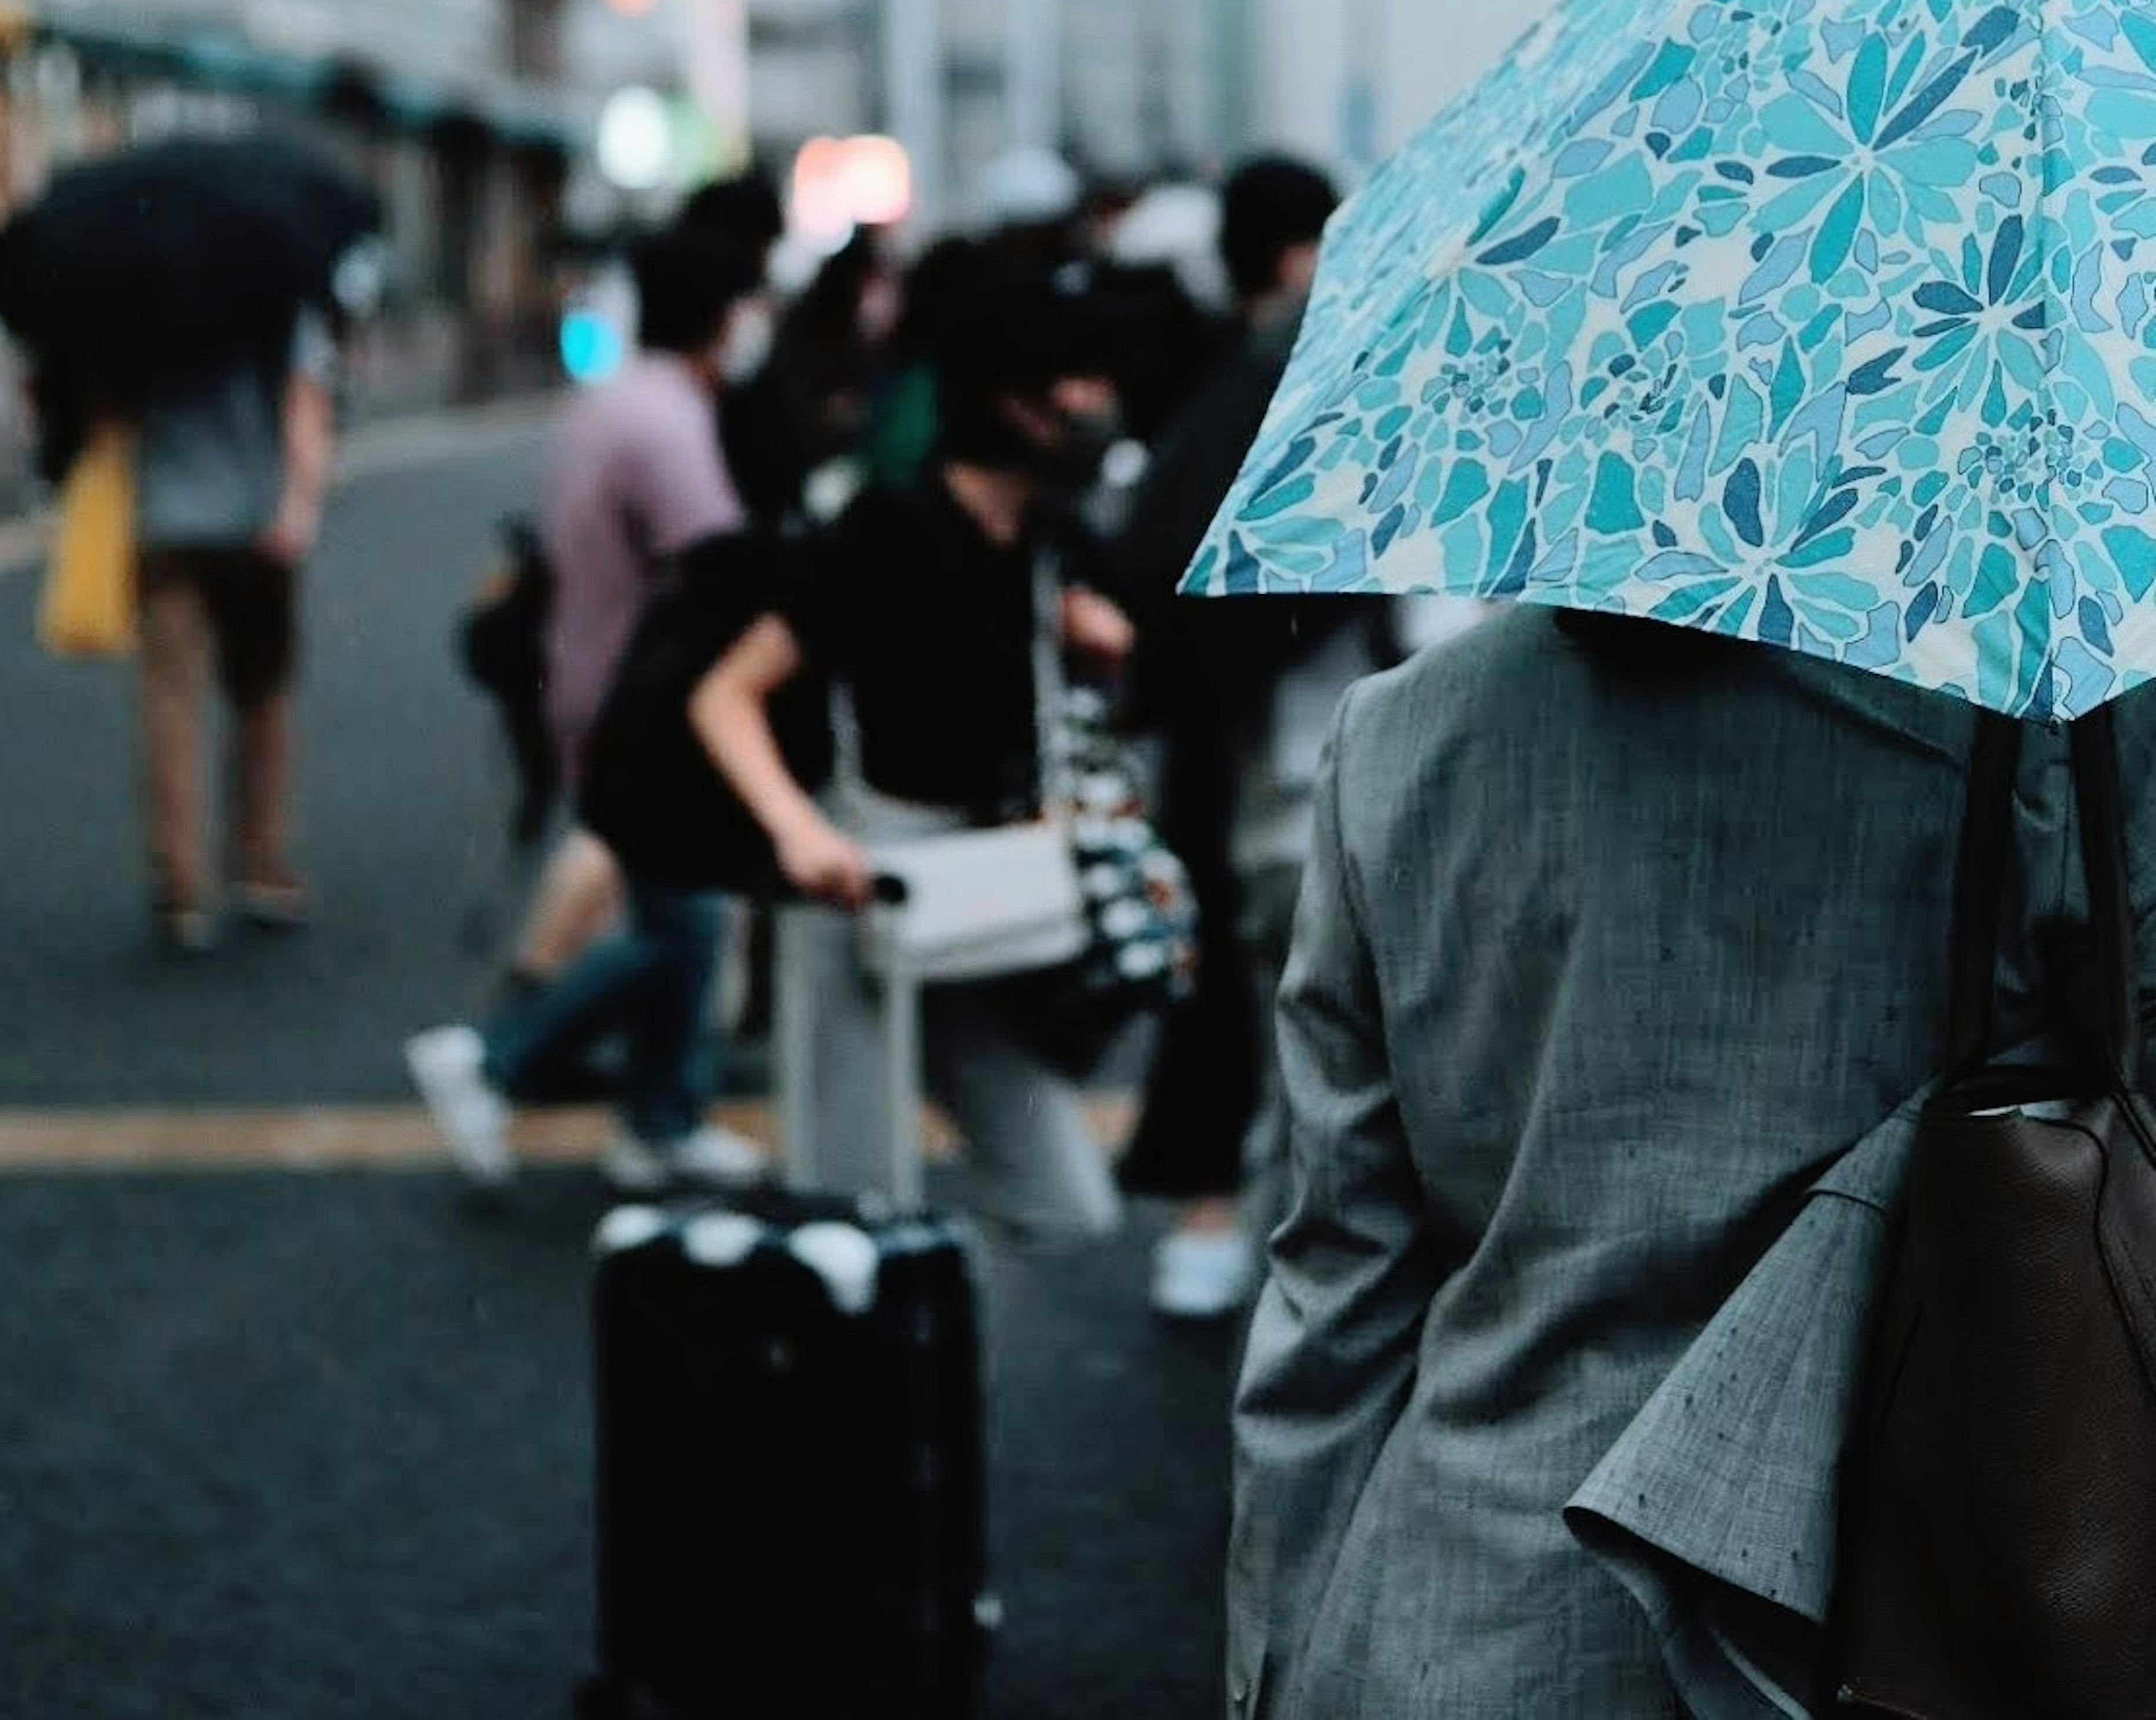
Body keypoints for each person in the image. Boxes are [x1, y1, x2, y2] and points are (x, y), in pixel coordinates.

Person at [1229, 607, 2156, 1719]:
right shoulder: (2027, 726)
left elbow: (1337, 1287)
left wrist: (1271, 1666)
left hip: (1467, 1606)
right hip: (1873, 1600)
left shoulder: (1398, 731)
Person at [687, 264, 1137, 1246]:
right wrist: (800, 832)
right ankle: (881, 1366)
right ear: (1016, 402)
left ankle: (939, 1328)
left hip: (995, 889)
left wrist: (1095, 645)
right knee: (847, 1205)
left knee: (1066, 1197)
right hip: (865, 883)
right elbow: (726, 691)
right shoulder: (890, 527)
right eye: (1080, 379)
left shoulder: (1054, 539)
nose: (1101, 401)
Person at [407, 224, 761, 1190]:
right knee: (683, 924)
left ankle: (657, 1116)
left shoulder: (617, 402)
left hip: (591, 677)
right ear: (724, 315)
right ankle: (494, 1059)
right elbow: (719, 562)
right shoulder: (669, 424)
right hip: (641, 703)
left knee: (671, 909)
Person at [1117, 151, 1363, 1318]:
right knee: (1298, 996)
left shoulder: (1221, 372)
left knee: (1242, 983)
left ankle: (1225, 1217)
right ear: (1292, 251)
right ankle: (1262, 1227)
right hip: (1285, 751)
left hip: (1233, 745)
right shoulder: (1300, 373)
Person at [134, 303, 337, 949]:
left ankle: (181, 886)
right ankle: (259, 864)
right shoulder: (271, 288)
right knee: (262, 694)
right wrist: (301, 504)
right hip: (257, 526)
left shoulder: (138, 297)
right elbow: (305, 406)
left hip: (164, 521)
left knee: (171, 699)